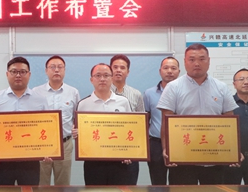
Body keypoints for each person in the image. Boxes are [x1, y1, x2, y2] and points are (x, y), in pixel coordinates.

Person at [157, 43, 239, 185]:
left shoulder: (221, 87)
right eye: (192, 59)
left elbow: (229, 122)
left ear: (209, 61)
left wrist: (233, 150)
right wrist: (167, 149)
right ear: (185, 62)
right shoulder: (173, 87)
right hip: (182, 158)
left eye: (202, 59)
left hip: (215, 157)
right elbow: (166, 123)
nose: (196, 63)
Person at [0, 57, 48, 185]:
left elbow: (47, 127)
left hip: (30, 159)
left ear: (29, 74)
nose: (18, 75)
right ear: (7, 74)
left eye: (22, 72)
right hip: (2, 159)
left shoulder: (40, 99)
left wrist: (48, 149)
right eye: (13, 72)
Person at [73, 63, 134, 185]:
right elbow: (80, 133)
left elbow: (130, 129)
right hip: (93, 161)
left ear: (112, 78)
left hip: (119, 160)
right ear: (91, 79)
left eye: (106, 75)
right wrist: (76, 133)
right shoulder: (83, 104)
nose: (102, 79)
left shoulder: (123, 102)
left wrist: (128, 153)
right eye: (98, 75)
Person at [33, 55, 79, 186]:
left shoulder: (73, 92)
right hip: (41, 144)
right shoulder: (36, 92)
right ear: (46, 70)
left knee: (63, 185)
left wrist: (76, 129)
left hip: (65, 144)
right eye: (52, 67)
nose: (56, 70)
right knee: (41, 184)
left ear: (64, 70)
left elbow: (76, 117)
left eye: (60, 67)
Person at [143, 57, 180, 185]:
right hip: (156, 144)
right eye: (166, 68)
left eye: (173, 68)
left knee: (178, 182)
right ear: (160, 71)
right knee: (157, 184)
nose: (169, 71)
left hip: (180, 143)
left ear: (179, 71)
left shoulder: (185, 93)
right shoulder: (149, 93)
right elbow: (146, 120)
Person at [109, 54, 143, 184]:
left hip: (129, 152)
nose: (118, 70)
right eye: (115, 67)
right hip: (106, 150)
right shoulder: (101, 93)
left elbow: (140, 125)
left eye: (122, 68)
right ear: (110, 70)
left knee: (128, 191)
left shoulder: (136, 94)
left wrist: (132, 151)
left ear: (128, 72)